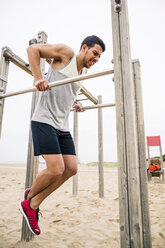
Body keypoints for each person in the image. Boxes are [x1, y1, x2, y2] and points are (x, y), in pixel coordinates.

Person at [18, 35, 105, 235]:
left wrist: (74, 105)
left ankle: (32, 202)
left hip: (62, 126)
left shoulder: (81, 73)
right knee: (56, 170)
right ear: (84, 48)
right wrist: (38, 77)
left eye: (99, 57)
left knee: (71, 169)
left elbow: (64, 94)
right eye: (95, 53)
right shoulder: (66, 54)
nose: (96, 59)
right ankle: (29, 199)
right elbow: (33, 50)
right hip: (44, 120)